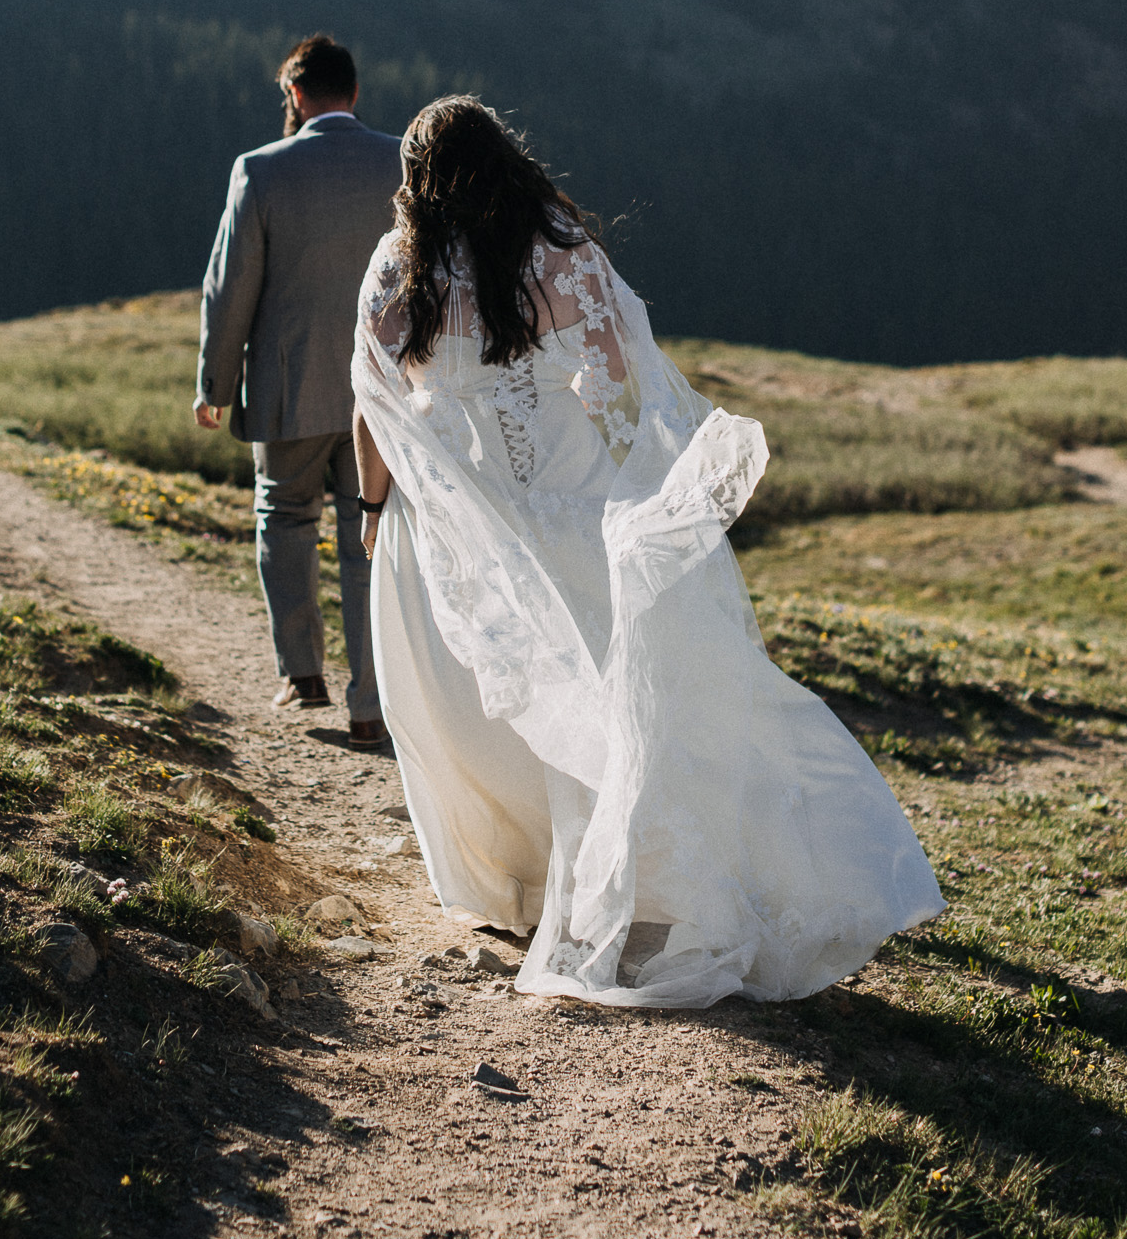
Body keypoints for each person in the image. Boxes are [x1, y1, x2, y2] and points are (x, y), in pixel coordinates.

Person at [351, 96, 943, 1008]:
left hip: (459, 533)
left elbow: (375, 403)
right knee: (600, 701)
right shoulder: (560, 254)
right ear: (505, 160)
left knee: (470, 706)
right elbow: (622, 387)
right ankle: (600, 872)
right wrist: (627, 486)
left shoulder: (402, 269)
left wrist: (373, 506)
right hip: (567, 520)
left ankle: (514, 878)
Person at [196, 35, 402, 747]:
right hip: (383, 394)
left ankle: (302, 674)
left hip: (290, 385)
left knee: (283, 518)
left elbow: (231, 288)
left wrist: (215, 383)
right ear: (354, 93)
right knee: (368, 536)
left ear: (295, 95)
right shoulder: (402, 161)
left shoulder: (258, 170)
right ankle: (373, 703)